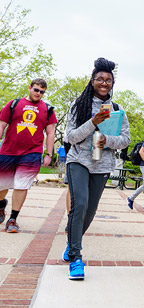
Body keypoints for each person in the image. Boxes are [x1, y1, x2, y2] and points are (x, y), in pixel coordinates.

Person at [62, 58, 130, 280]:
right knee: (79, 205)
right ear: (92, 81)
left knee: (89, 212)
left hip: (102, 164)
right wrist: (93, 122)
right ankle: (76, 257)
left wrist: (105, 139)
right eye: (100, 79)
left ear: (112, 83)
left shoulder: (118, 110)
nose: (104, 83)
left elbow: (125, 140)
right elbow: (70, 136)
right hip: (78, 161)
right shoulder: (78, 105)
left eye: (108, 80)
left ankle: (72, 242)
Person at [0, 78, 57, 232]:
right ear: (29, 88)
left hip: (32, 153)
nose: (39, 94)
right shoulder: (14, 104)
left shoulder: (48, 109)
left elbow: (50, 133)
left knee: (21, 185)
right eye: (36, 90)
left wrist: (49, 154)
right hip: (8, 151)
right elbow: (2, 124)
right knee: (2, 185)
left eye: (42, 92)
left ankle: (13, 219)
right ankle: (1, 205)